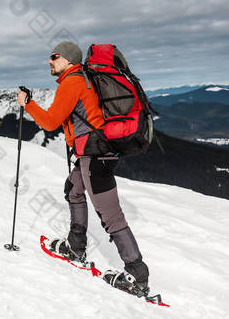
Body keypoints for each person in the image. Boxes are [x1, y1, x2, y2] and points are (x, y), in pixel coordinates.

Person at [16, 41, 150, 296]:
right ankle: (76, 246)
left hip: (96, 156)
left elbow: (50, 122)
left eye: (54, 56)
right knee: (73, 190)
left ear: (67, 59)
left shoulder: (73, 81)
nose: (50, 60)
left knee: (111, 216)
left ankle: (137, 275)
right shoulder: (80, 80)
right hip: (94, 153)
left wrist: (29, 103)